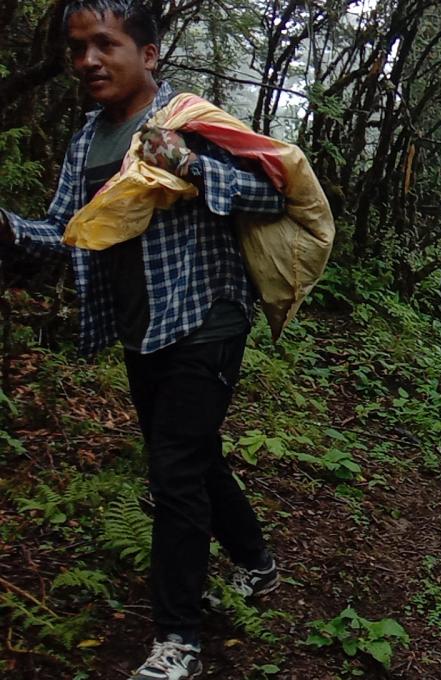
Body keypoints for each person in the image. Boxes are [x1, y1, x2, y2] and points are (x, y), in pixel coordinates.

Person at [0, 2, 284, 677]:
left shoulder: (193, 122)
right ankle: (258, 564)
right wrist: (9, 230)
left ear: (148, 54)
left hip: (206, 320)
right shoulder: (87, 141)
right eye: (77, 48)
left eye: (105, 44)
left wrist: (189, 164)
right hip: (140, 329)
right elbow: (66, 231)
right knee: (189, 456)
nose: (88, 60)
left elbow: (273, 193)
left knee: (174, 473)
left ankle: (177, 639)